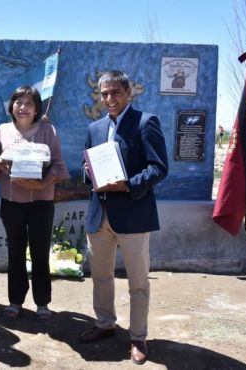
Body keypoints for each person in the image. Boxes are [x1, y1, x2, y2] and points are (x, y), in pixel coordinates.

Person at [80, 70, 168, 365]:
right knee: (101, 277)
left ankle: (138, 336)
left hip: (133, 214)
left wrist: (127, 184)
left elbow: (159, 167)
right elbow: (86, 165)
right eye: (104, 94)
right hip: (99, 215)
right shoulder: (94, 128)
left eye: (115, 92)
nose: (109, 99)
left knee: (138, 281)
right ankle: (105, 324)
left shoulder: (145, 123)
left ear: (128, 92)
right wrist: (88, 172)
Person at [0, 86, 70, 322]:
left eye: (29, 103)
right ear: (11, 106)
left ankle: (42, 303)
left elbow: (60, 166)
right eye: (18, 102)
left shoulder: (48, 130)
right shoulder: (1, 131)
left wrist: (41, 184)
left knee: (41, 253)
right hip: (11, 203)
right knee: (15, 252)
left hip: (42, 203)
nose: (23, 107)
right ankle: (15, 300)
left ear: (36, 109)